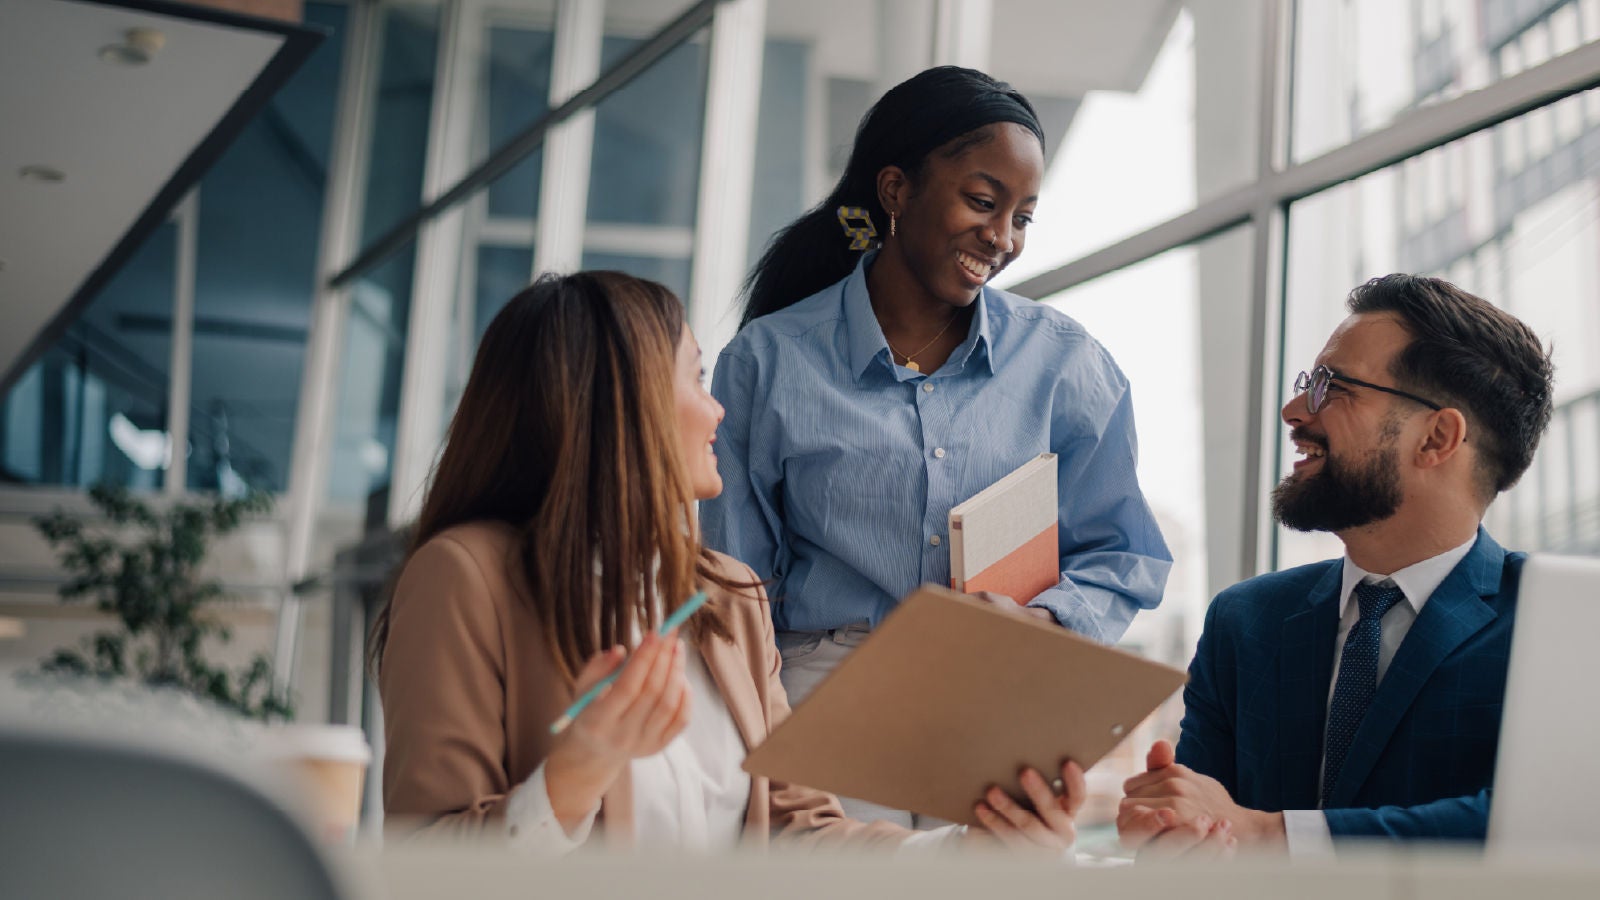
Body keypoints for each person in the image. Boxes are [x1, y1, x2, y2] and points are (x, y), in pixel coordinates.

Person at [372, 271, 1086, 855]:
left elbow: (796, 828)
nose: (716, 411)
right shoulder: (465, 577)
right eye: (694, 378)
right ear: (618, 402)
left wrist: (970, 851)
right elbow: (426, 859)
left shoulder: (726, 593)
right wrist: (574, 773)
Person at [701, 65, 1171, 826]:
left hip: (995, 701)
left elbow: (1125, 554)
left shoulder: (1065, 365)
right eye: (984, 202)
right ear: (895, 190)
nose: (1003, 238)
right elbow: (735, 582)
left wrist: (1044, 621)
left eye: (1023, 217)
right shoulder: (768, 361)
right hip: (824, 695)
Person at [1117, 274, 1555, 857]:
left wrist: (1270, 835)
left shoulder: (1554, 625)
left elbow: (1547, 821)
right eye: (1308, 383)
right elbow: (1200, 830)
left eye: (1333, 387)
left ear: (1436, 437)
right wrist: (1172, 829)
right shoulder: (1244, 621)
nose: (1294, 409)